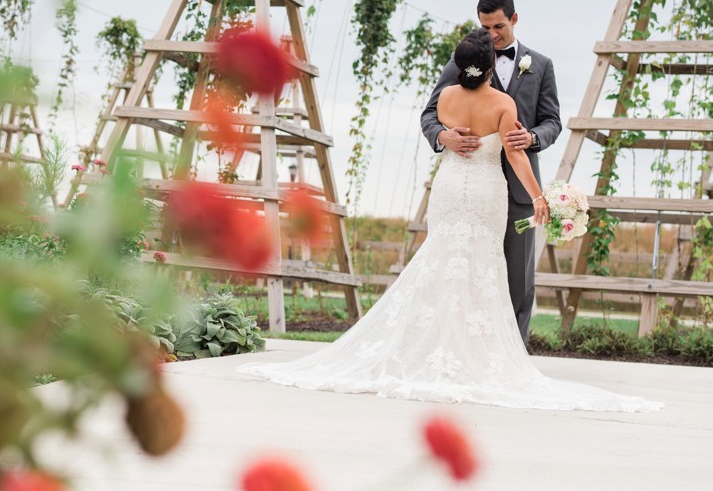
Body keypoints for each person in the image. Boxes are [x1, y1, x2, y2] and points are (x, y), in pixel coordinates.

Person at [238, 29, 660, 412]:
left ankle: (429, 351)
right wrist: (538, 196)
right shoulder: (503, 103)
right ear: (491, 65)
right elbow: (514, 153)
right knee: (482, 271)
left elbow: (443, 125)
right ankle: (472, 357)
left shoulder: (446, 99)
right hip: (484, 194)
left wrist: (447, 136)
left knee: (439, 266)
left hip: (449, 189)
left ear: (460, 66)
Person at [422, 0, 561, 342]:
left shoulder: (541, 65)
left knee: (517, 275)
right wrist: (444, 137)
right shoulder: (462, 61)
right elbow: (429, 114)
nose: (492, 34)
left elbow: (552, 121)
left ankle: (514, 353)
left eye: (498, 26)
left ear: (514, 19)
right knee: (461, 269)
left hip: (514, 187)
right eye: (485, 26)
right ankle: (461, 345)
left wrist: (531, 138)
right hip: (469, 180)